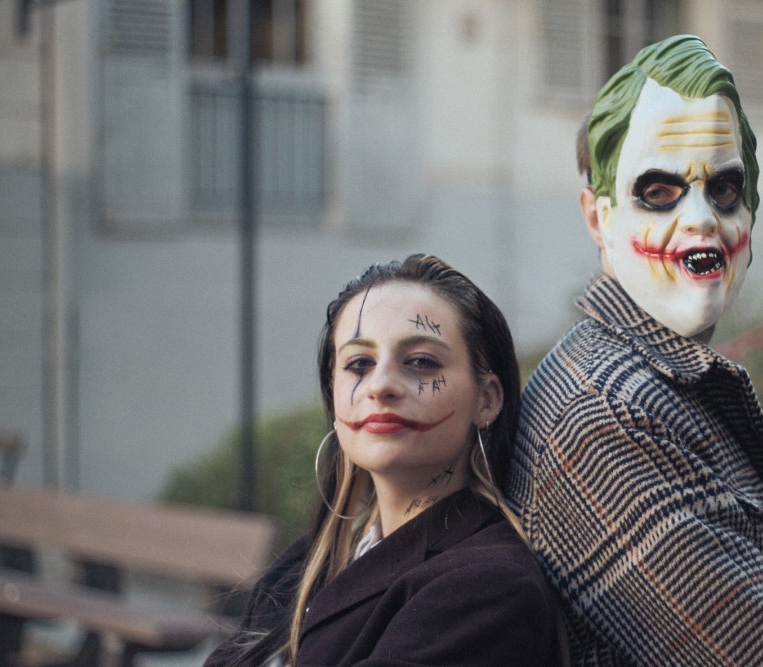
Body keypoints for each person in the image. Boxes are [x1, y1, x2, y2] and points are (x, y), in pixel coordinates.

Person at [506, 35, 763, 665]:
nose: (701, 220)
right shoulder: (605, 414)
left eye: (724, 189)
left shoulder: (673, 383)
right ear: (598, 218)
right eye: (659, 191)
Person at [205, 254, 563, 666]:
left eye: (421, 362)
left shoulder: (490, 585)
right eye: (359, 364)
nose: (380, 386)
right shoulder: (308, 563)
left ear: (487, 399)